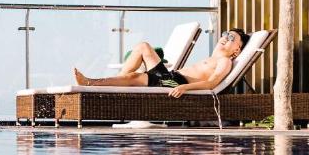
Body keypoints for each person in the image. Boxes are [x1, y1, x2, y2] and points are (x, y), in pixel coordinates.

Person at [73, 29, 250, 98]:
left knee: (135, 72)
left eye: (232, 38)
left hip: (176, 83)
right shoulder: (213, 58)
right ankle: (104, 86)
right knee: (141, 53)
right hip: (171, 77)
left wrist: (184, 88)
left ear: (237, 50)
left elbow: (212, 83)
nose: (226, 38)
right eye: (226, 34)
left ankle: (90, 83)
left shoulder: (225, 61)